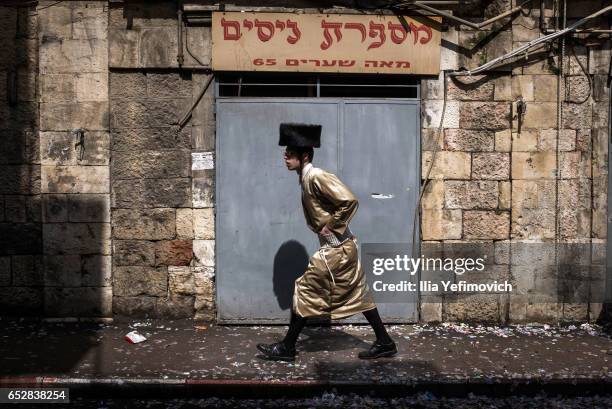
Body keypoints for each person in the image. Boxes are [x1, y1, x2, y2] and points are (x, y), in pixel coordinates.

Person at [256, 122, 397, 361]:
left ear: (305, 155)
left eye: (290, 154)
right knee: (359, 293)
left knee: (303, 289)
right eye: (286, 153)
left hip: (337, 248)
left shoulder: (317, 176)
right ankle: (385, 341)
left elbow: (349, 200)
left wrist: (331, 224)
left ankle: (287, 347)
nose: (286, 157)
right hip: (343, 247)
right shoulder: (305, 178)